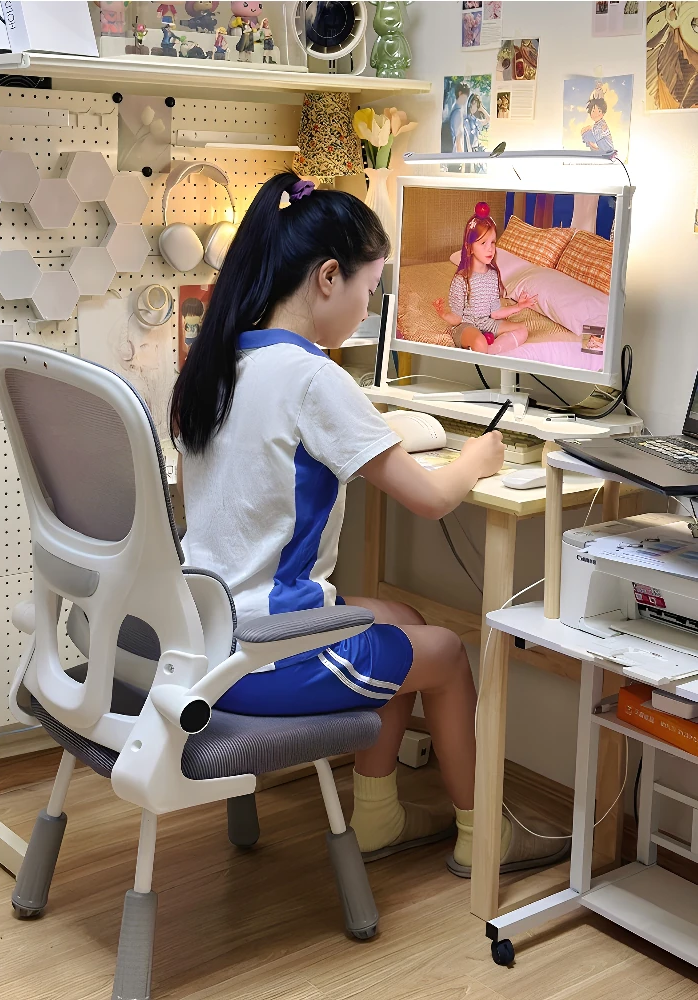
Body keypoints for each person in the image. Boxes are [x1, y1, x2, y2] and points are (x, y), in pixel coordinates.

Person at [171, 173, 562, 874]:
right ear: (329, 278)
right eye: (371, 289)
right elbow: (434, 498)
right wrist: (478, 457)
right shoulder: (316, 379)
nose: (367, 309)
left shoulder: (221, 360)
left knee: (401, 615)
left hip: (201, 634)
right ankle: (485, 840)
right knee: (446, 653)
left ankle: (378, 817)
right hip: (265, 653)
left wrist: (379, 434)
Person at [433, 202, 535, 355]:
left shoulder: (493, 276)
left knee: (522, 329)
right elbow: (457, 318)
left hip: (488, 324)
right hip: (466, 326)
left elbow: (495, 313)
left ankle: (489, 351)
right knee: (479, 341)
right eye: (483, 243)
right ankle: (483, 348)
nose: (490, 249)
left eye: (493, 242)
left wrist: (519, 306)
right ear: (469, 247)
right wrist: (443, 314)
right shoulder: (461, 279)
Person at [448, 82, 470, 152]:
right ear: (460, 93)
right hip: (457, 153)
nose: (466, 99)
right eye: (466, 96)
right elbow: (458, 140)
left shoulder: (453, 109)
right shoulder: (458, 113)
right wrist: (461, 157)